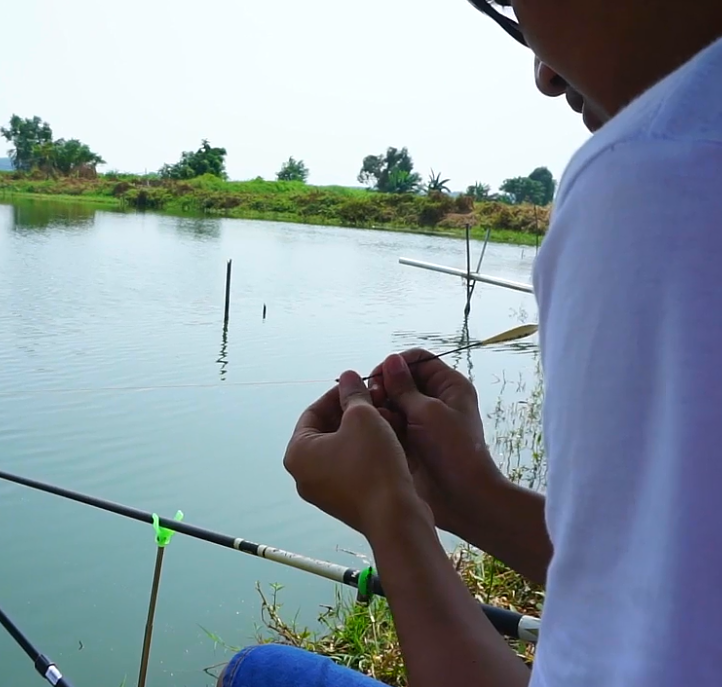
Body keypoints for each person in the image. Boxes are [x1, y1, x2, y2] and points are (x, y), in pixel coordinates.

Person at [219, 2, 722, 686]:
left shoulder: (659, 176)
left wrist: (391, 514)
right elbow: (670, 579)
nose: (544, 75)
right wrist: (467, 493)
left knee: (254, 672)